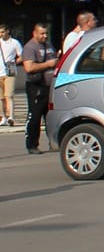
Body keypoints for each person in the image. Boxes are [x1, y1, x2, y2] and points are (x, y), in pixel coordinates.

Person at [20, 22, 58, 154]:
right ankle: (32, 145)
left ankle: (54, 142)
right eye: (42, 33)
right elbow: (29, 67)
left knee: (50, 116)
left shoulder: (49, 45)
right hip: (36, 86)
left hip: (50, 86)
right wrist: (48, 64)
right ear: (34, 33)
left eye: (46, 33)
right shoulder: (30, 47)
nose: (45, 36)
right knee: (35, 116)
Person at [0, 24, 19, 127]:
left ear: (7, 31)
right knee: (0, 97)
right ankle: (3, 117)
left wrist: (14, 63)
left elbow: (21, 55)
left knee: (9, 95)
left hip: (9, 72)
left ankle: (11, 117)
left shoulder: (14, 42)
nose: (1, 34)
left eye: (2, 32)